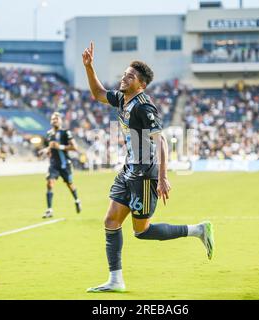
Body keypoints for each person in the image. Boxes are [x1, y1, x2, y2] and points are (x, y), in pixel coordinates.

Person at [82, 41, 214, 293]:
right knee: (111, 221)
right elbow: (98, 94)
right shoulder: (121, 98)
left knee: (141, 232)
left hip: (144, 174)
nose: (124, 77)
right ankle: (115, 280)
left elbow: (161, 141)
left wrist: (162, 177)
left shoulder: (144, 106)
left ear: (140, 84)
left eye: (129, 76)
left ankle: (198, 230)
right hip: (128, 169)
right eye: (124, 73)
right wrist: (89, 67)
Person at [39, 112, 82, 218]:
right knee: (49, 183)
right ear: (50, 121)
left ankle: (77, 200)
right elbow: (51, 147)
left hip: (64, 164)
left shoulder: (66, 133)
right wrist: (45, 150)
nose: (55, 121)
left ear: (61, 121)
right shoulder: (49, 134)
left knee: (69, 184)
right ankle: (49, 210)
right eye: (53, 119)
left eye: (57, 119)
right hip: (54, 164)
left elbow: (75, 148)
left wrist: (60, 147)